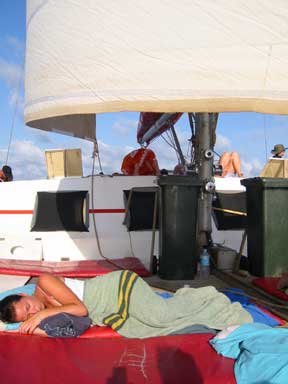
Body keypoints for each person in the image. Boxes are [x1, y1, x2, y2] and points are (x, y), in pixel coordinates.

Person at [0, 270, 252, 338]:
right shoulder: (36, 306)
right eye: (27, 315)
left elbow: (80, 309)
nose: (34, 311)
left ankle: (209, 297)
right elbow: (12, 329)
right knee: (145, 331)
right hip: (110, 308)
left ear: (24, 295)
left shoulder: (44, 282)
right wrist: (17, 325)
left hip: (119, 288)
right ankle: (187, 300)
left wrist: (38, 318)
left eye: (29, 307)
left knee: (161, 317)